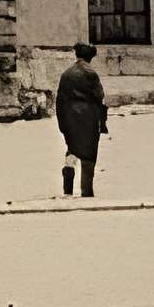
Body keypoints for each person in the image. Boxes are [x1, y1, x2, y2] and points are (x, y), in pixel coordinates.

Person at [54, 42, 107, 197]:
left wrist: (62, 123)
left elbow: (59, 100)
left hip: (69, 117)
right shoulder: (91, 73)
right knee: (89, 155)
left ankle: (67, 188)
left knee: (72, 150)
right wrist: (102, 122)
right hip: (88, 117)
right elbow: (100, 97)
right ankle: (86, 190)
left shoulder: (67, 73)